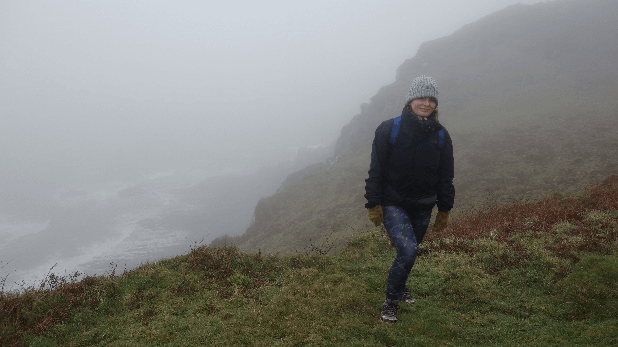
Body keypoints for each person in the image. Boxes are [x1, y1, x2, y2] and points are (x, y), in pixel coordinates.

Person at [364, 75, 455, 323]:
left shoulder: (441, 136)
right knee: (408, 249)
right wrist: (373, 203)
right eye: (420, 98)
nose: (425, 103)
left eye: (431, 99)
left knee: (408, 253)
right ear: (410, 100)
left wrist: (445, 209)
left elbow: (446, 176)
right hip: (394, 202)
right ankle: (391, 302)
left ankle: (402, 288)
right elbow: (376, 170)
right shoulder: (388, 129)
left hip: (424, 205)